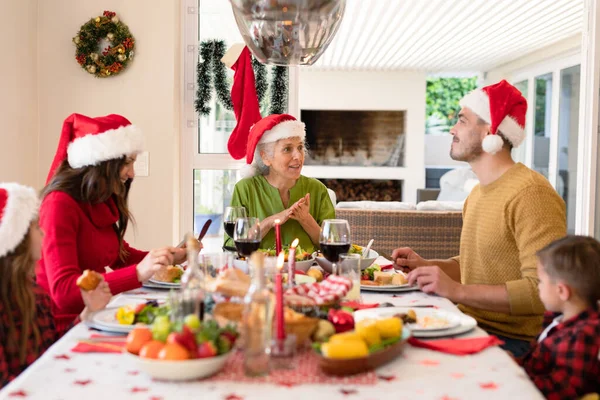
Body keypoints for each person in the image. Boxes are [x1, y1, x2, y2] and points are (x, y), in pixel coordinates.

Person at [393, 80, 567, 357]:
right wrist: (426, 265)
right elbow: (478, 267)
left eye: (462, 120)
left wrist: (457, 291)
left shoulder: (531, 194)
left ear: (490, 129)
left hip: (512, 342)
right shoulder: (477, 193)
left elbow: (542, 292)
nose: (452, 129)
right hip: (467, 323)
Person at [36, 113, 187, 333]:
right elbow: (65, 293)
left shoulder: (99, 199)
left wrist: (167, 258)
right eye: (127, 163)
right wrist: (138, 273)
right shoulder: (59, 204)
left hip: (96, 313)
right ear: (102, 162)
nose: (132, 173)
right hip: (63, 327)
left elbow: (119, 256)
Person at [222, 45, 335, 252]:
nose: (297, 156)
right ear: (266, 157)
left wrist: (305, 219)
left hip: (307, 275)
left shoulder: (317, 190)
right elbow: (231, 244)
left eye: (300, 147)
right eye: (287, 149)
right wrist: (272, 221)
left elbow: (333, 247)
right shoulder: (246, 189)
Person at [0, 183, 111, 388]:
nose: (43, 233)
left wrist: (86, 314)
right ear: (17, 239)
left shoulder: (35, 294)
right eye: (36, 227)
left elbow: (51, 350)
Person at [519, 236, 600, 399]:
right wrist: (516, 364)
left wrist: (515, 377)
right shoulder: (557, 318)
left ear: (562, 291)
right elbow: (537, 364)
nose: (538, 287)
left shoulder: (582, 336)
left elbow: (561, 391)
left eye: (541, 281)